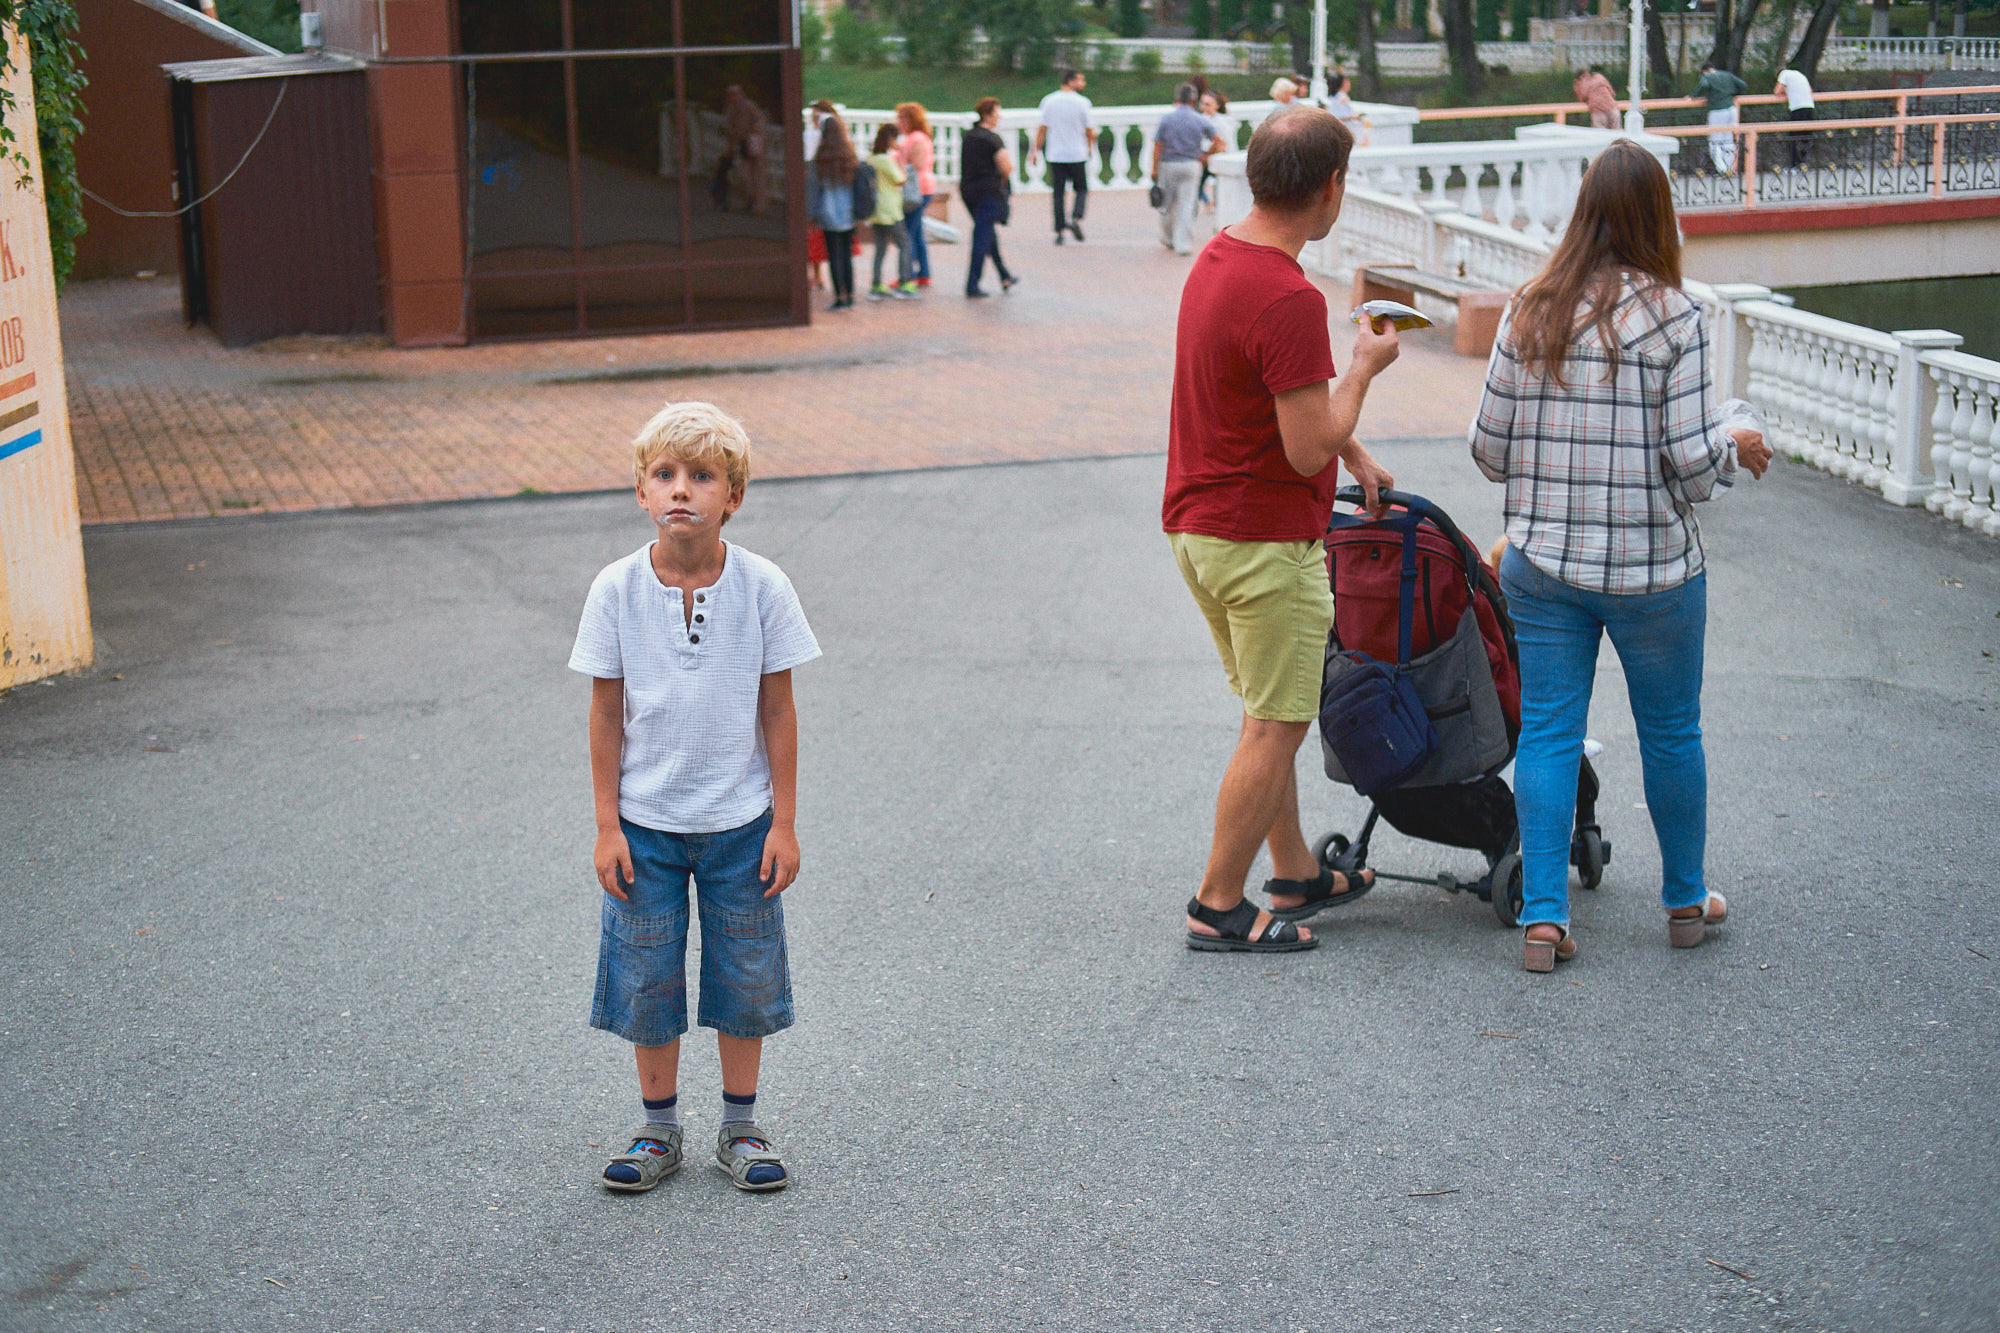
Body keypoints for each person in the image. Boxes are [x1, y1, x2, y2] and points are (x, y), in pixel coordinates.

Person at [1467, 140, 1775, 973]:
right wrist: (1736, 445)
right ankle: (1683, 901)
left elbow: (1487, 448)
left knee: (1551, 733)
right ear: (1658, 217)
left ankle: (1543, 918)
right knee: (1672, 730)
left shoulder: (1529, 307)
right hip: (1653, 574)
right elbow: (1690, 465)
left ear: (1582, 211)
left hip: (1544, 564)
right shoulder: (1675, 315)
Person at [571, 400, 822, 1194]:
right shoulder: (615, 589)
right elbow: (606, 710)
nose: (683, 490)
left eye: (703, 476)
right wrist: (607, 824)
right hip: (644, 825)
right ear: (643, 492)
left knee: (745, 974)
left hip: (740, 824)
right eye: (665, 474)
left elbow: (777, 706)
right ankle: (659, 1129)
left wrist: (783, 821)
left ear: (733, 495)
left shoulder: (762, 586)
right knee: (646, 977)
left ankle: (741, 1125)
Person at [1166, 106, 1400, 954]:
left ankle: (1295, 866)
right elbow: (1307, 446)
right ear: (1331, 188)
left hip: (1202, 528)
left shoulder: (1222, 258)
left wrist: (1357, 455)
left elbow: (1272, 402)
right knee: (1277, 722)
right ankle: (1217, 903)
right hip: (1263, 541)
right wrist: (1366, 372)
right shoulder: (1291, 295)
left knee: (1269, 709)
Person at [1154, 82, 1227, 257]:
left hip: (1169, 163)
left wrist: (1154, 168)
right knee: (1187, 204)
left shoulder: (1167, 119)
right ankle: (1183, 244)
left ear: (1177, 98)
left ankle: (1168, 237)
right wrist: (1205, 155)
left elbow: (1158, 145)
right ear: (1193, 100)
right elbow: (1219, 141)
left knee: (1167, 203)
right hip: (1191, 164)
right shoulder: (1199, 119)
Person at [960, 96, 1017, 298]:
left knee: (987, 233)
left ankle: (1004, 274)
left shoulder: (969, 136)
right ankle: (972, 284)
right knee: (981, 237)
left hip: (968, 190)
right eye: (996, 113)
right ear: (987, 114)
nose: (998, 117)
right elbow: (1007, 167)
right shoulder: (992, 139)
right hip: (988, 191)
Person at [1034, 68, 1095, 244]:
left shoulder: (1049, 101)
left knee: (1058, 194)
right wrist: (1090, 148)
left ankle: (1059, 231)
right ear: (1071, 81)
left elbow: (1042, 128)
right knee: (1081, 189)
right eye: (1080, 80)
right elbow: (1089, 130)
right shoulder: (1083, 102)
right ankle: (1076, 218)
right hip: (1077, 153)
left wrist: (1035, 151)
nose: (1083, 84)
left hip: (1056, 154)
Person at [808, 114, 859, 310]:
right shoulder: (850, 157)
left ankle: (840, 296)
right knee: (846, 255)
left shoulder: (820, 159)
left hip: (827, 214)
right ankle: (851, 295)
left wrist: (811, 216)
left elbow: (813, 190)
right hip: (848, 212)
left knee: (834, 255)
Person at [865, 124, 915, 300]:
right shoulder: (886, 160)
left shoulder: (871, 158)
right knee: (905, 244)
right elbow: (900, 179)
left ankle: (877, 283)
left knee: (880, 248)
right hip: (890, 209)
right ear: (891, 139)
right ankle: (905, 282)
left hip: (876, 209)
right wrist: (900, 159)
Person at [896, 102, 937, 288]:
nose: (900, 122)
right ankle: (924, 273)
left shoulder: (916, 139)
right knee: (917, 231)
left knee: (908, 233)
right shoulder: (914, 138)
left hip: (917, 190)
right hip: (922, 188)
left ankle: (908, 274)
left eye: (904, 118)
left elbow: (917, 165)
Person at [711, 84, 768, 213]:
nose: (733, 98)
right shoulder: (730, 109)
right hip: (741, 143)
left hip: (753, 142)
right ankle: (749, 200)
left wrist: (756, 128)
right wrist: (729, 146)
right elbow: (729, 129)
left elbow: (760, 120)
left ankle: (758, 205)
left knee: (757, 174)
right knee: (744, 175)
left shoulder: (748, 105)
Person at [1696, 61, 1748, 173]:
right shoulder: (1727, 75)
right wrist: (1732, 93)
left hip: (1717, 111)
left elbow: (1703, 85)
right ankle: (1730, 167)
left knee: (1714, 140)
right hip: (1731, 109)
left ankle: (1722, 169)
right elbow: (1743, 85)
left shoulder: (1708, 77)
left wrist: (1692, 96)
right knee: (1728, 139)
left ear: (1704, 71)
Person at [804, 101, 832, 291]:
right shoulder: (834, 139)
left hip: (815, 184)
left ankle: (815, 275)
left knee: (812, 230)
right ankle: (817, 275)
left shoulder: (813, 136)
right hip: (823, 186)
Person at [1774, 66, 1816, 168]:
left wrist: (1786, 92)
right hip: (1809, 107)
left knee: (1793, 137)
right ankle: (1803, 163)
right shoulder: (1799, 74)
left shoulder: (1783, 74)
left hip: (1797, 108)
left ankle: (1793, 165)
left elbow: (1777, 91)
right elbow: (1810, 90)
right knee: (1805, 137)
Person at [1197, 89, 1231, 209]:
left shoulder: (1221, 121)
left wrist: (1208, 154)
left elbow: (1221, 141)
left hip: (1216, 157)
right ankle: (1206, 202)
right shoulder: (1201, 118)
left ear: (1216, 105)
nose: (1204, 107)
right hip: (1204, 155)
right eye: (1202, 103)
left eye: (1207, 104)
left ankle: (1217, 205)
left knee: (1219, 184)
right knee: (1198, 182)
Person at [1328, 72, 1368, 144]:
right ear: (1343, 84)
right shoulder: (1342, 98)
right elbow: (1341, 115)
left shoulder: (1333, 97)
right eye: (1347, 81)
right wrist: (1357, 117)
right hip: (1344, 131)